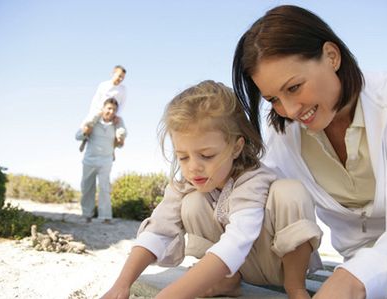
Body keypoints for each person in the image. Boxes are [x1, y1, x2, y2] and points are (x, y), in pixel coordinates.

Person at [232, 4, 387, 299]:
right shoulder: (283, 136)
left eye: (294, 87)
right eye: (274, 99)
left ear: (331, 56)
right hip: (358, 268)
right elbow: (254, 196)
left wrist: (354, 277)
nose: (290, 110)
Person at [101, 80, 323, 299]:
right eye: (183, 157)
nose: (193, 167)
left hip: (276, 264)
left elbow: (238, 240)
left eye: (206, 156)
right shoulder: (187, 184)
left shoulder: (253, 178)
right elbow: (158, 230)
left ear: (236, 147)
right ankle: (226, 280)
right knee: (192, 202)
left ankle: (296, 289)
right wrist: (122, 284)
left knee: (290, 192)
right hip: (232, 266)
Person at [76, 98, 127, 224]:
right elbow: (77, 136)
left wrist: (120, 140)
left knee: (105, 188)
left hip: (106, 160)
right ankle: (87, 214)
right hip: (89, 159)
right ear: (103, 108)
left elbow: (120, 144)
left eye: (114, 109)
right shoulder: (92, 121)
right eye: (109, 108)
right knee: (87, 187)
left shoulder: (117, 124)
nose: (111, 111)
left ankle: (105, 216)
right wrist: (85, 131)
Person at [79, 65, 127, 152]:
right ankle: (85, 139)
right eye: (119, 76)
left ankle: (113, 149)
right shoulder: (104, 85)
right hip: (100, 111)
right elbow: (96, 100)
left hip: (113, 113)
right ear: (113, 74)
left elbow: (122, 104)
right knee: (89, 123)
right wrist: (98, 111)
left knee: (120, 129)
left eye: (122, 78)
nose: (120, 79)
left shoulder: (123, 89)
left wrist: (116, 115)